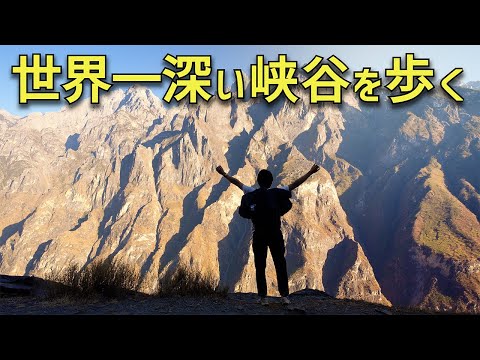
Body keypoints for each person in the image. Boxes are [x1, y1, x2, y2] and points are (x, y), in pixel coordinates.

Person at [216, 163, 320, 305]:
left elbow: (237, 183)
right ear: (271, 182)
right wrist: (310, 172)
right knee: (280, 263)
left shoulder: (251, 193)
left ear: (258, 181)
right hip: (275, 234)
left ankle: (262, 297)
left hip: (259, 234)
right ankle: (284, 296)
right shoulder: (277, 193)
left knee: (260, 264)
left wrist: (224, 174)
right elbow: (294, 184)